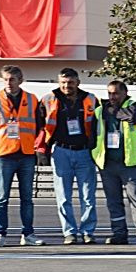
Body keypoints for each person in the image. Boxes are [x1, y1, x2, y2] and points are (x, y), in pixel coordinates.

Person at [0, 65, 46, 247]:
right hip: (4, 154)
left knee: (27, 198)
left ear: (20, 80)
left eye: (12, 79)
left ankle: (28, 234)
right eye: (5, 79)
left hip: (26, 154)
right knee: (2, 198)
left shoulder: (32, 99)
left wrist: (37, 147)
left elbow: (39, 125)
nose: (8, 83)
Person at [94, 81, 136, 246]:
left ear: (124, 93)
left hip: (129, 162)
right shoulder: (100, 111)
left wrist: (111, 110)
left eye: (115, 93)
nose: (112, 97)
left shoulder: (135, 106)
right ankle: (119, 233)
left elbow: (131, 116)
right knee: (113, 201)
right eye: (109, 94)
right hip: (107, 162)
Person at [46, 68, 100, 245]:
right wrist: (41, 149)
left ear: (78, 82)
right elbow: (39, 125)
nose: (66, 86)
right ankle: (69, 232)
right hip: (61, 151)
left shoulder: (91, 99)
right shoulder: (48, 99)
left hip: (85, 152)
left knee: (88, 196)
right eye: (63, 83)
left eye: (70, 82)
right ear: (58, 83)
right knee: (63, 196)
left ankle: (88, 231)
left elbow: (100, 125)